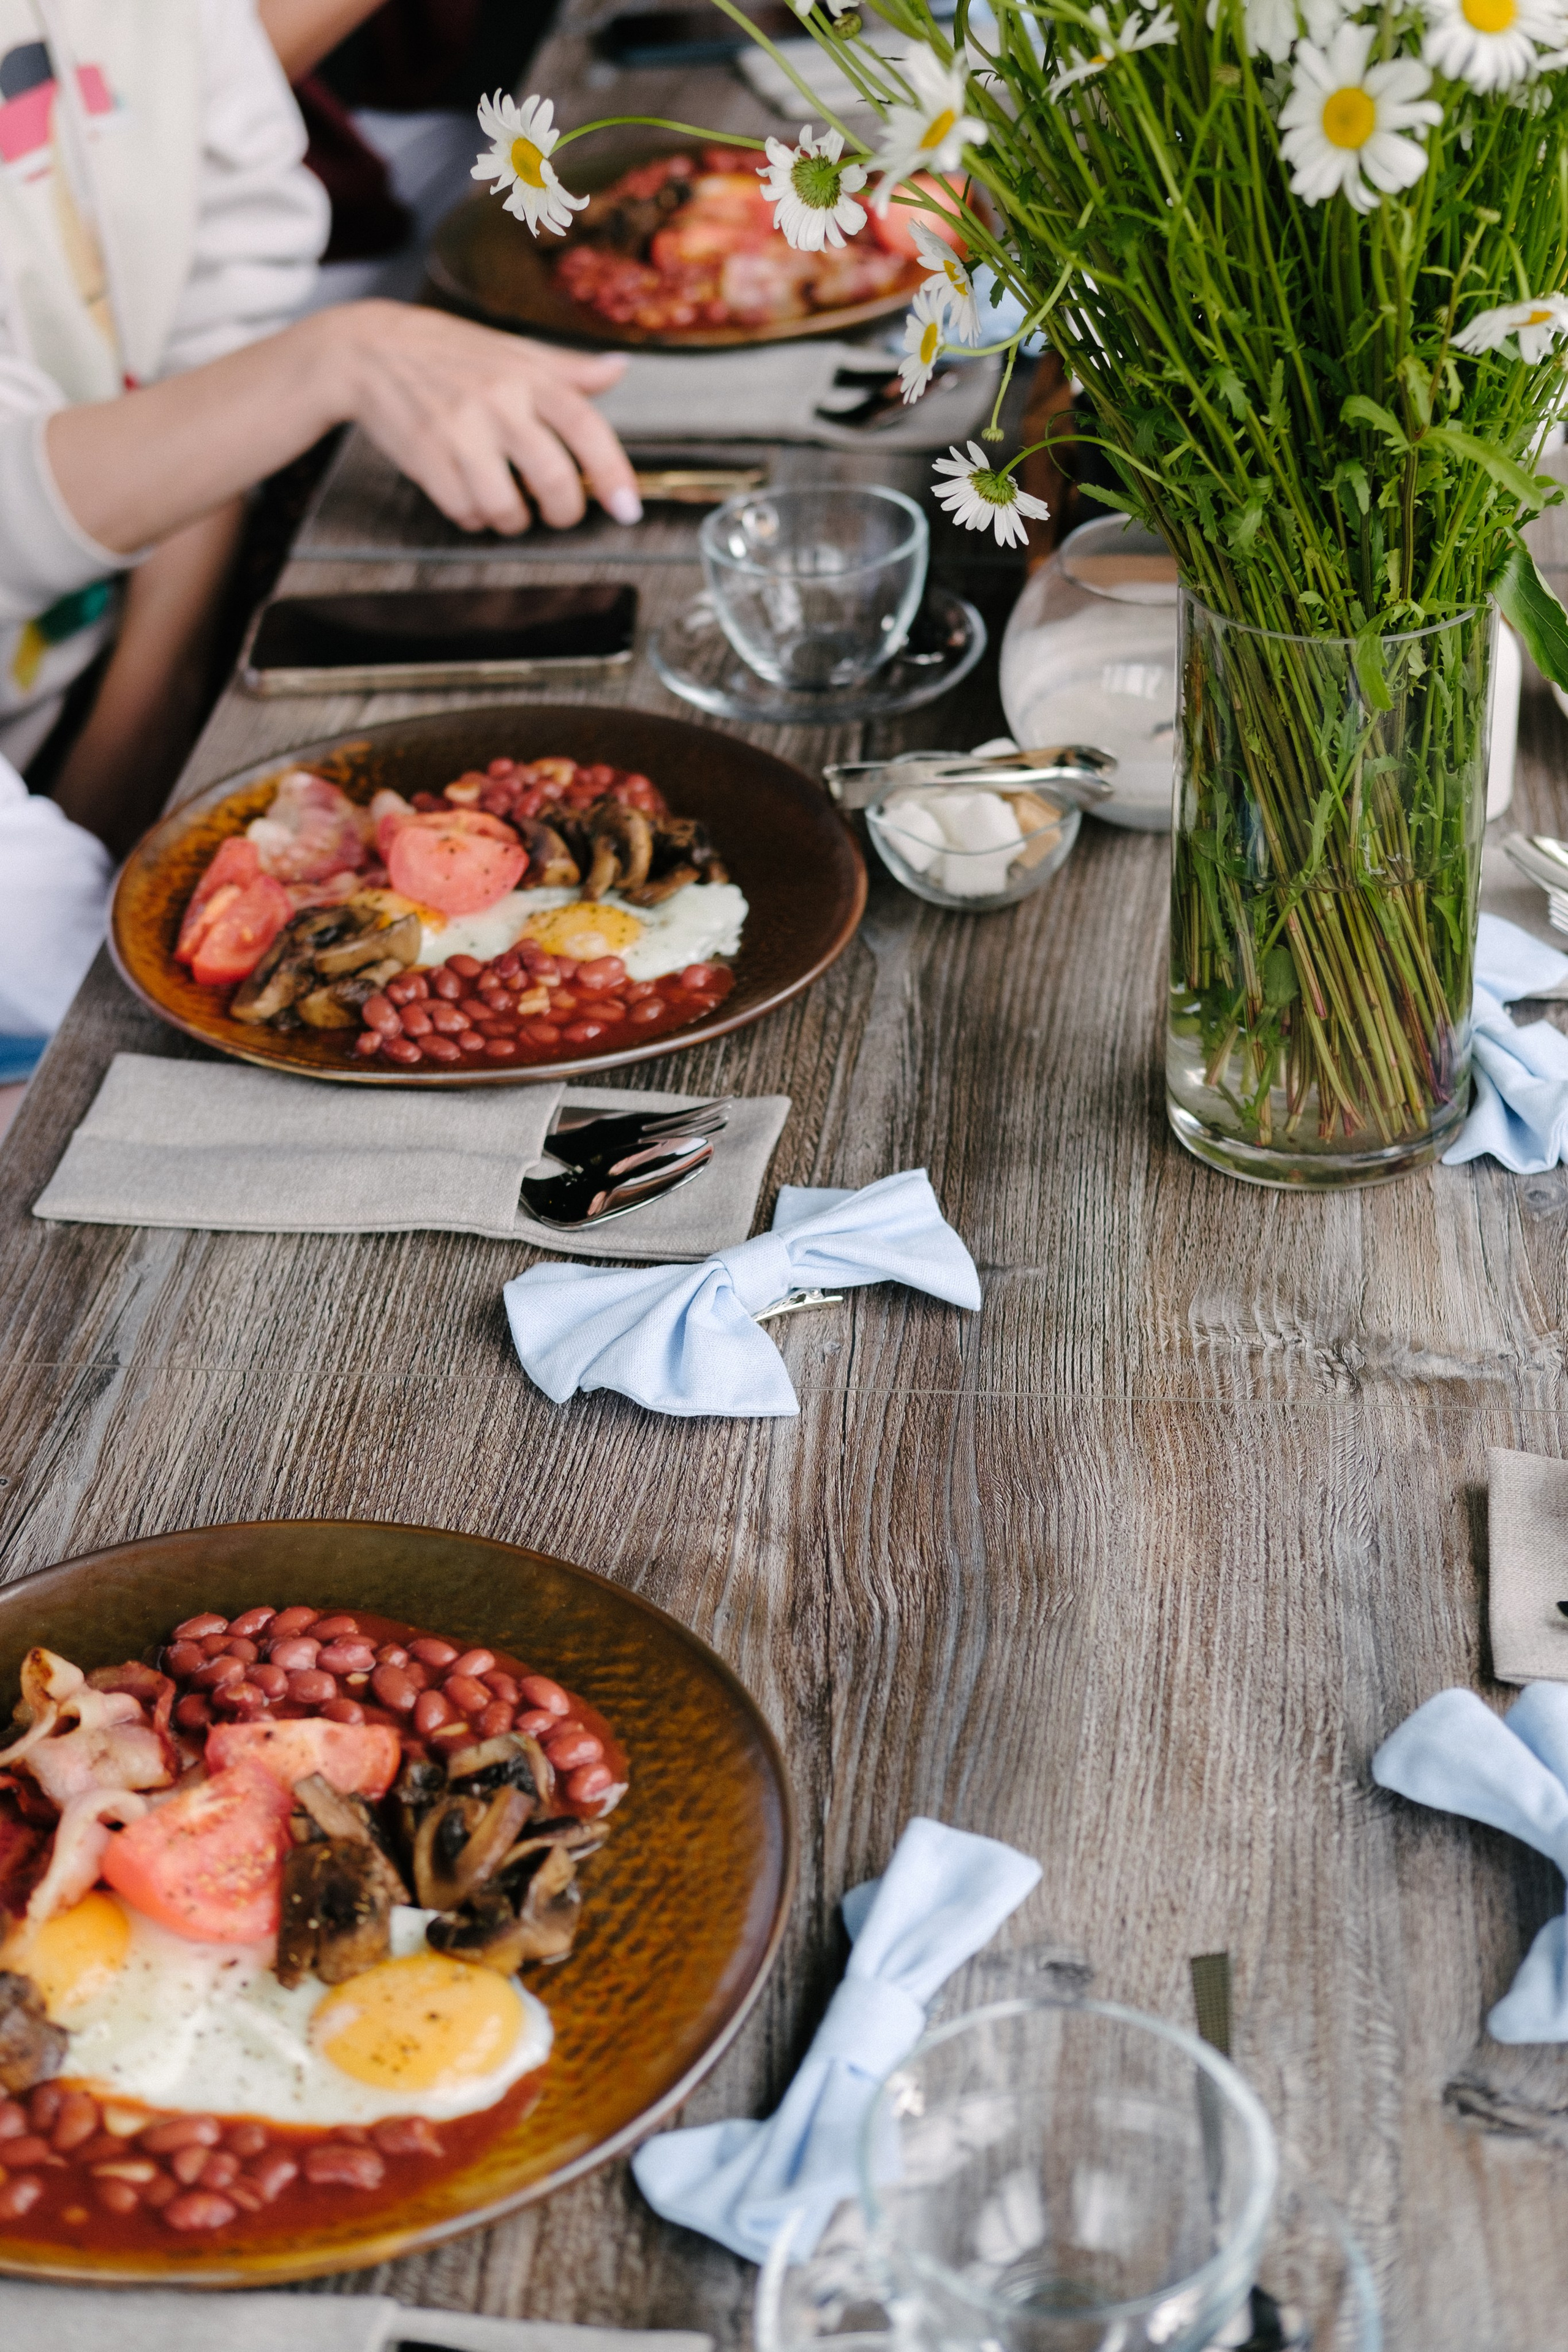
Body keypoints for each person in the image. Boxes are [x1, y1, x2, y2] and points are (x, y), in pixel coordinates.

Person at [0, 0, 636, 1092]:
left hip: (55, 707)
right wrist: (331, 362)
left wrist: (141, 745)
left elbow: (205, 380)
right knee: (156, 1051)